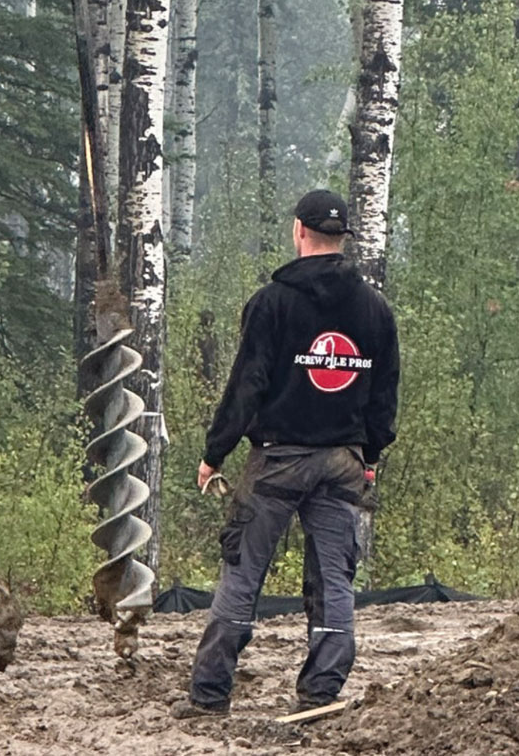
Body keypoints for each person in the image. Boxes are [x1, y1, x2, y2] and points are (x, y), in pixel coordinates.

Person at [174, 189, 399, 719]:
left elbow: (246, 385)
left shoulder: (271, 304)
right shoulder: (374, 309)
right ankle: (322, 691)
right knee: (335, 578)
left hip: (277, 458)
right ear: (341, 238)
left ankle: (209, 696)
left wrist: (215, 453)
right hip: (343, 459)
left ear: (298, 231)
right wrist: (370, 455)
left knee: (243, 572)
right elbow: (385, 394)